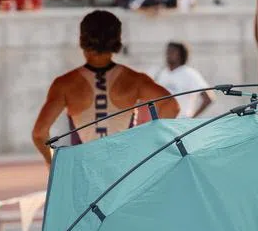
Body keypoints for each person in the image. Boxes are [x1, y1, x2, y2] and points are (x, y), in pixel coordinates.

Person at [32, 10, 178, 165]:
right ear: (117, 39)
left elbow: (39, 134)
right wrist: (147, 146)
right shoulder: (135, 80)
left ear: (82, 38)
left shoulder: (65, 84)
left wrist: (55, 165)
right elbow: (171, 106)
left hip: (84, 174)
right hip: (124, 172)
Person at [153, 42, 215, 118]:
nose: (168, 54)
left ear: (181, 55)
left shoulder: (189, 73)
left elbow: (208, 98)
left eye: (172, 51)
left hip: (181, 123)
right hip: (162, 121)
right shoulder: (161, 73)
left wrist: (191, 119)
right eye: (167, 51)